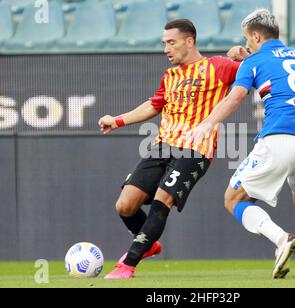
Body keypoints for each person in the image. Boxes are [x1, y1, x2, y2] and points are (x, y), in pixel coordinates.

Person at [190, 9, 295, 282]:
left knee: (234, 199)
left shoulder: (254, 61)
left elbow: (235, 98)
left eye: (248, 39)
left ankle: (282, 240)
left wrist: (207, 123)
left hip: (279, 138)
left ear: (256, 36)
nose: (246, 44)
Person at [98, 19, 240, 279]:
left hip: (195, 149)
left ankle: (127, 265)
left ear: (189, 41)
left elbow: (257, 69)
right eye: (164, 43)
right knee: (125, 205)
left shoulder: (219, 67)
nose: (166, 49)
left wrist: (245, 54)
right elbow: (154, 105)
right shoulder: (171, 76)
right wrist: (117, 120)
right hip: (163, 146)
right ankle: (148, 244)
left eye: (171, 42)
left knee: (162, 201)